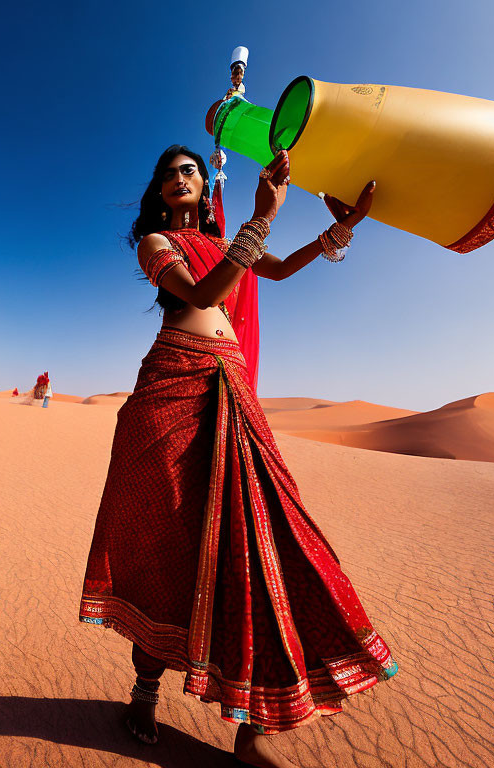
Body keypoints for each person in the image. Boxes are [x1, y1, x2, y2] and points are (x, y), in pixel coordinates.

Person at [78, 144, 397, 768]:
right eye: (168, 174)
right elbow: (200, 296)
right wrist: (261, 220)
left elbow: (273, 271)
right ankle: (145, 694)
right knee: (169, 548)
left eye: (189, 171)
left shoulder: (228, 244)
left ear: (203, 185)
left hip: (232, 382)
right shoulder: (154, 244)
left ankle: (253, 726)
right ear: (158, 192)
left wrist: (342, 228)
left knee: (260, 535)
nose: (179, 179)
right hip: (171, 389)